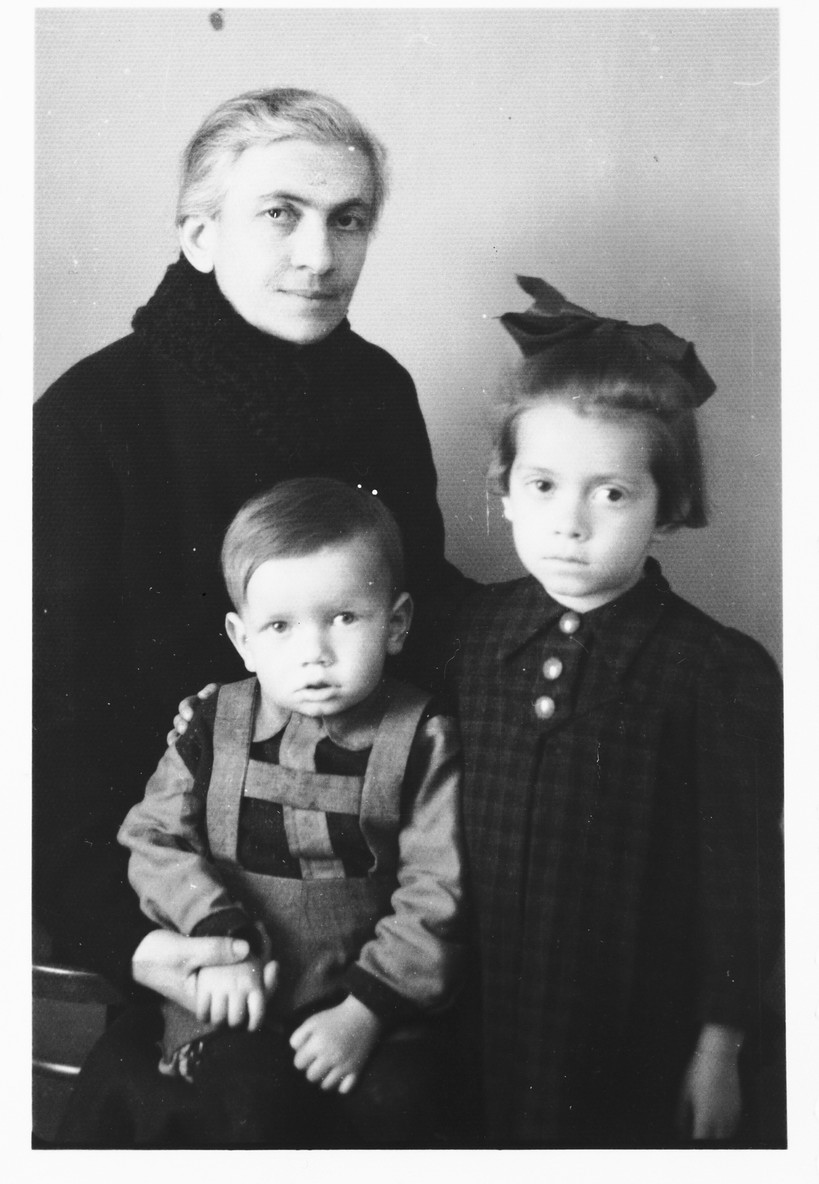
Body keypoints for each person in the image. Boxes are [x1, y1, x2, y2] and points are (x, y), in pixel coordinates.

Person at [33, 88, 465, 1016]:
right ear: (199, 237)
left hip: (367, 884)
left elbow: (424, 612)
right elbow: (42, 709)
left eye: (348, 221)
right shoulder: (88, 417)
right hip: (174, 899)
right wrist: (123, 940)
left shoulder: (378, 389)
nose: (320, 257)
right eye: (281, 215)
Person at [448, 278, 784, 1147]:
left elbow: (741, 883)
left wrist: (721, 1046)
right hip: (479, 1014)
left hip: (635, 1028)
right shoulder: (469, 635)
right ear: (505, 490)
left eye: (611, 494)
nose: (569, 523)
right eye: (544, 484)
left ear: (666, 505)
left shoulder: (715, 673)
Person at [74, 478, 463, 1148]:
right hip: (233, 1004)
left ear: (396, 623)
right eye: (280, 626)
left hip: (365, 1004)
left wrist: (367, 1012)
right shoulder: (208, 725)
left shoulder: (422, 736)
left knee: (399, 1105)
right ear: (243, 638)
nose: (312, 652)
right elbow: (155, 840)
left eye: (344, 617)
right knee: (248, 1105)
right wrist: (215, 939)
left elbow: (441, 889)